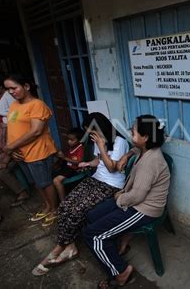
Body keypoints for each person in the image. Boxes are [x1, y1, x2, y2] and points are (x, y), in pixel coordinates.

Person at [32, 112, 129, 276]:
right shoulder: (97, 140)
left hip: (111, 185)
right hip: (96, 179)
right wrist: (88, 162)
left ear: (101, 128)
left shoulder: (120, 142)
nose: (90, 135)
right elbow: (99, 161)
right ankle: (70, 246)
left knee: (77, 210)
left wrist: (103, 146)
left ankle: (59, 248)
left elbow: (112, 167)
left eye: (91, 132)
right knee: (65, 205)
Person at [84, 115, 170, 288]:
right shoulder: (145, 150)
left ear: (145, 138)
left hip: (143, 209)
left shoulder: (151, 161)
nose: (131, 131)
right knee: (92, 215)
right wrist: (128, 154)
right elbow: (137, 151)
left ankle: (122, 272)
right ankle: (114, 249)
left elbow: (137, 196)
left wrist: (119, 198)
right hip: (132, 199)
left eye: (134, 130)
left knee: (93, 236)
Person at [3, 74, 58, 226]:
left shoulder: (37, 105)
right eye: (8, 89)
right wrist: (12, 149)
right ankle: (47, 206)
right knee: (36, 183)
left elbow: (36, 131)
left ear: (26, 86)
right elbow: (12, 128)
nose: (11, 92)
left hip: (38, 151)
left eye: (14, 88)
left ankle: (54, 209)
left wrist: (11, 147)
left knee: (45, 182)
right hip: (21, 153)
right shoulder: (15, 105)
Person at [0, 105, 29, 206]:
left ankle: (22, 193)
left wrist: (5, 161)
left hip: (8, 156)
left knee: (1, 172)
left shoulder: (4, 128)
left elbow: (12, 145)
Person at [52, 127, 85, 201]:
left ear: (79, 140)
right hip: (68, 166)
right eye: (68, 139)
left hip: (74, 169)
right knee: (52, 173)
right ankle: (56, 199)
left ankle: (63, 202)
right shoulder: (72, 146)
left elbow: (79, 162)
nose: (69, 141)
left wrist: (65, 158)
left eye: (72, 140)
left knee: (56, 180)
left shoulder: (80, 148)